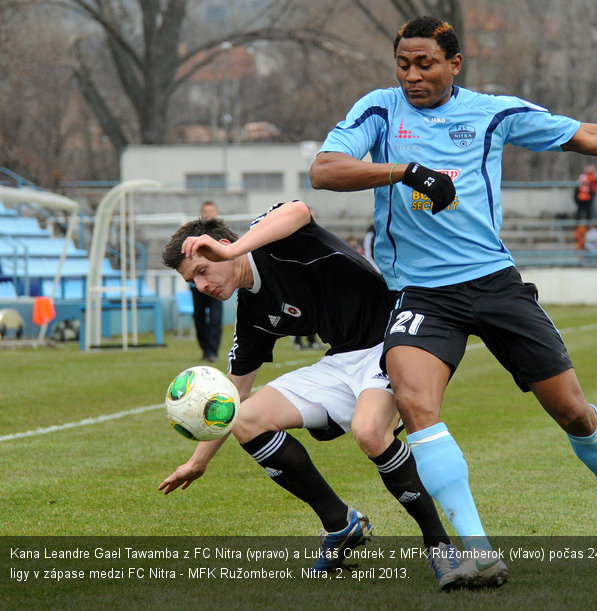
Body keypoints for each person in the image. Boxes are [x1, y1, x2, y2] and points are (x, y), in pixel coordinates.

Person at [309, 15, 597, 586]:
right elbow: (324, 170)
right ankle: (477, 548)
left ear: (454, 64)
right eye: (403, 64)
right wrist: (405, 171)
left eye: (425, 64)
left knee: (572, 411)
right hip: (420, 293)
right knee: (418, 409)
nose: (412, 76)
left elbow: (586, 135)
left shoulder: (492, 113)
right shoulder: (379, 111)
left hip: (494, 283)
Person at [158, 201, 474, 591]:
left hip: (394, 339)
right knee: (246, 418)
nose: (203, 285)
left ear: (222, 245)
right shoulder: (253, 313)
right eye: (194, 282)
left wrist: (236, 249)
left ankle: (440, 545)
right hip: (343, 358)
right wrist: (198, 462)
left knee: (370, 432)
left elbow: (299, 210)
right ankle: (340, 523)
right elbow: (231, 396)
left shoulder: (272, 240)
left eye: (203, 270)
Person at [190, 200, 224, 362]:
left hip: (217, 283)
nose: (209, 214)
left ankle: (213, 352)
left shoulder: (222, 234)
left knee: (216, 318)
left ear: (216, 213)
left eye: (211, 211)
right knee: (199, 317)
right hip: (197, 285)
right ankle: (205, 350)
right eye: (206, 211)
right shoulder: (194, 233)